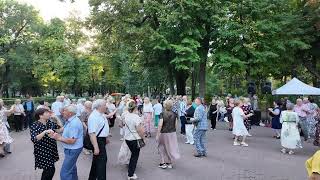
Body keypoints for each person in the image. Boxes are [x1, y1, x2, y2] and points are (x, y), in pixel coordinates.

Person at [51, 105, 84, 180]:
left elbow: (72, 141)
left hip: (73, 149)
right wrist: (55, 119)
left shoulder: (74, 123)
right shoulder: (70, 120)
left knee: (65, 172)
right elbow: (61, 130)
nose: (62, 112)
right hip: (72, 149)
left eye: (64, 110)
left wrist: (58, 138)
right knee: (72, 167)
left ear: (70, 113)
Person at [30, 108, 63, 180]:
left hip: (51, 149)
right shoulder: (35, 125)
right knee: (50, 170)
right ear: (41, 116)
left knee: (48, 170)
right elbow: (34, 139)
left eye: (49, 112)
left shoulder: (49, 122)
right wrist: (45, 132)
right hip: (42, 150)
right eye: (46, 113)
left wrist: (56, 118)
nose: (49, 114)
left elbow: (60, 129)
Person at [88, 99, 112, 180]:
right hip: (98, 141)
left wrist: (106, 137)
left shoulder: (100, 114)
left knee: (96, 162)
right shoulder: (94, 116)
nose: (106, 106)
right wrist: (96, 147)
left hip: (101, 140)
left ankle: (92, 178)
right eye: (105, 105)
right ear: (99, 106)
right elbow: (92, 133)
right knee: (102, 162)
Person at [123, 101, 145, 179]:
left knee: (133, 154)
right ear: (135, 108)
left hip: (127, 138)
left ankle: (130, 171)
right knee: (135, 156)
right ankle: (130, 174)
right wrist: (143, 138)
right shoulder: (136, 117)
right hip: (135, 139)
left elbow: (121, 125)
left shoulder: (126, 116)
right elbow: (140, 130)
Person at [156, 100, 180, 169]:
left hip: (164, 133)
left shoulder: (162, 114)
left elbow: (160, 125)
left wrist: (158, 134)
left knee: (161, 147)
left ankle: (163, 163)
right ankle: (170, 163)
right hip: (172, 133)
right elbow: (175, 124)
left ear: (165, 106)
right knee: (170, 147)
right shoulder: (175, 114)